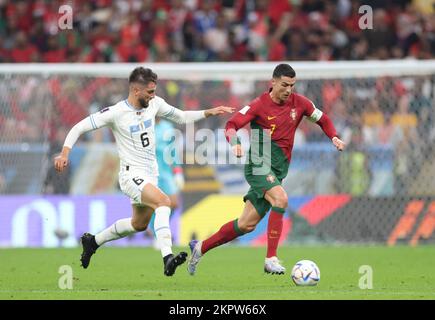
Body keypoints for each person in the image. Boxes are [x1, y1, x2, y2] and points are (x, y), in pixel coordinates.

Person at [54, 67, 233, 276]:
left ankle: (93, 242)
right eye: (149, 92)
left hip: (150, 175)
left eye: (154, 91)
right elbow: (78, 127)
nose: (153, 95)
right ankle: (167, 257)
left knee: (138, 224)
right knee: (164, 202)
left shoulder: (155, 104)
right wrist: (64, 153)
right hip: (131, 175)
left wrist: (208, 112)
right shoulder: (116, 113)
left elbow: (182, 116)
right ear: (136, 90)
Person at [187, 64, 345, 275]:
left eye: (292, 85)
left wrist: (333, 136)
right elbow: (231, 125)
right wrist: (234, 143)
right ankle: (271, 258)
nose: (288, 90)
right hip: (258, 165)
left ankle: (200, 248)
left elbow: (323, 119)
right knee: (281, 199)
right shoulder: (259, 105)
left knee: (245, 225)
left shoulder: (300, 103)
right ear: (273, 82)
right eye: (284, 85)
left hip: (278, 170)